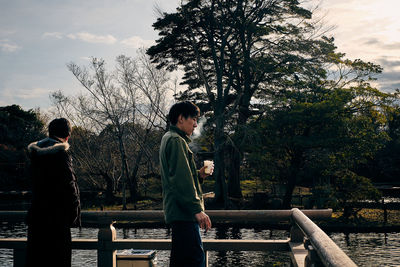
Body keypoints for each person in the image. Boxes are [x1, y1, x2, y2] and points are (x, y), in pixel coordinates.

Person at [160, 101, 213, 267]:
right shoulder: (177, 141)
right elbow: (181, 181)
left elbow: (178, 177)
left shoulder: (168, 137)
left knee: (180, 262)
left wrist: (200, 175)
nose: (196, 124)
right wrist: (197, 210)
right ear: (181, 118)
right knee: (195, 260)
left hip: (178, 212)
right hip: (185, 214)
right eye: (194, 119)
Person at [26, 118, 81, 267]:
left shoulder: (34, 155)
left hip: (36, 221)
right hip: (57, 223)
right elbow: (70, 186)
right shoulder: (61, 155)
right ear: (67, 136)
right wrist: (74, 214)